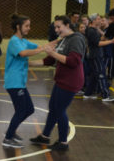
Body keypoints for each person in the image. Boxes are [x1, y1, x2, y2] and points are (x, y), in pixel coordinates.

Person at [30, 15, 86, 151]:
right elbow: (49, 60)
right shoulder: (64, 39)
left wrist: (53, 53)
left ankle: (63, 142)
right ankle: (45, 136)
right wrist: (28, 63)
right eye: (55, 27)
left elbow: (73, 61)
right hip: (61, 80)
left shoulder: (76, 39)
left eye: (58, 27)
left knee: (60, 110)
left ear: (67, 25)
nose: (56, 29)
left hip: (71, 81)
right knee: (53, 108)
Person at [2, 14, 44, 148]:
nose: (29, 28)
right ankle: (8, 138)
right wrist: (42, 49)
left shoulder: (24, 41)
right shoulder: (14, 41)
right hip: (14, 82)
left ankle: (11, 132)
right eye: (26, 26)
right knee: (21, 111)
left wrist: (56, 43)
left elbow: (38, 46)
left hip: (19, 82)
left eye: (29, 26)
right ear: (18, 27)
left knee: (29, 109)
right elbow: (23, 54)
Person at [83, 14, 114, 102]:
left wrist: (106, 37)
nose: (100, 20)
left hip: (96, 55)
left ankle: (88, 94)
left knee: (94, 75)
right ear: (93, 21)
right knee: (101, 74)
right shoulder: (91, 31)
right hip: (95, 56)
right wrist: (111, 41)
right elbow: (98, 43)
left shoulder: (94, 30)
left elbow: (99, 40)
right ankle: (106, 96)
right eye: (98, 19)